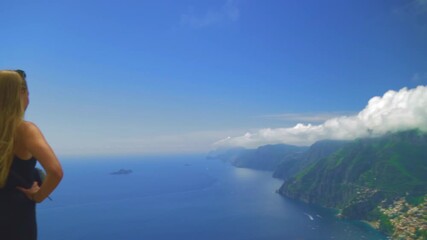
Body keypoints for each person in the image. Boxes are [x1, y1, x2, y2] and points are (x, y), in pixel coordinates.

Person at [0, 70, 63, 240]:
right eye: (27, 93)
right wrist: (38, 196)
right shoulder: (25, 130)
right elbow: (55, 172)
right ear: (19, 94)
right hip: (16, 217)